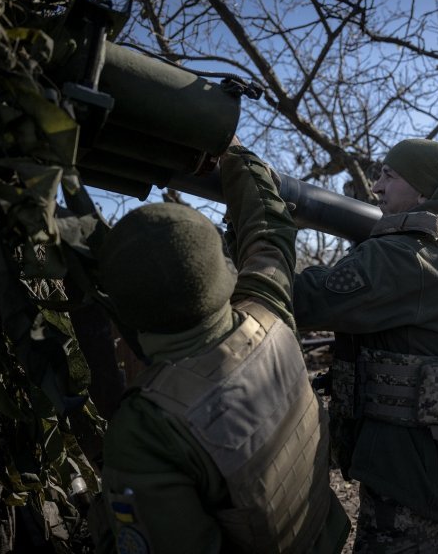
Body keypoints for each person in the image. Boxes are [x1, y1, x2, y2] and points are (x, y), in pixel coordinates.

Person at [89, 144, 349, 553]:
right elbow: (269, 232)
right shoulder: (268, 310)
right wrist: (238, 157)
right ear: (222, 272)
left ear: (121, 308)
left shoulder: (146, 429)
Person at [294, 139, 438, 552]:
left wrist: (264, 227)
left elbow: (304, 299)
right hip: (433, 463)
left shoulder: (408, 257)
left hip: (403, 471)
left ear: (424, 192)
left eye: (389, 175)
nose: (376, 187)